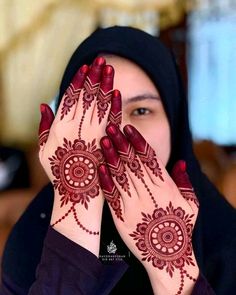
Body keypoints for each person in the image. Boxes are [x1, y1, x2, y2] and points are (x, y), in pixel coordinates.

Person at [0, 26, 235, 295]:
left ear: (175, 122)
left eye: (142, 110)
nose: (118, 131)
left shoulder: (225, 241)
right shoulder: (33, 234)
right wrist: (74, 218)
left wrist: (174, 273)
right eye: (99, 111)